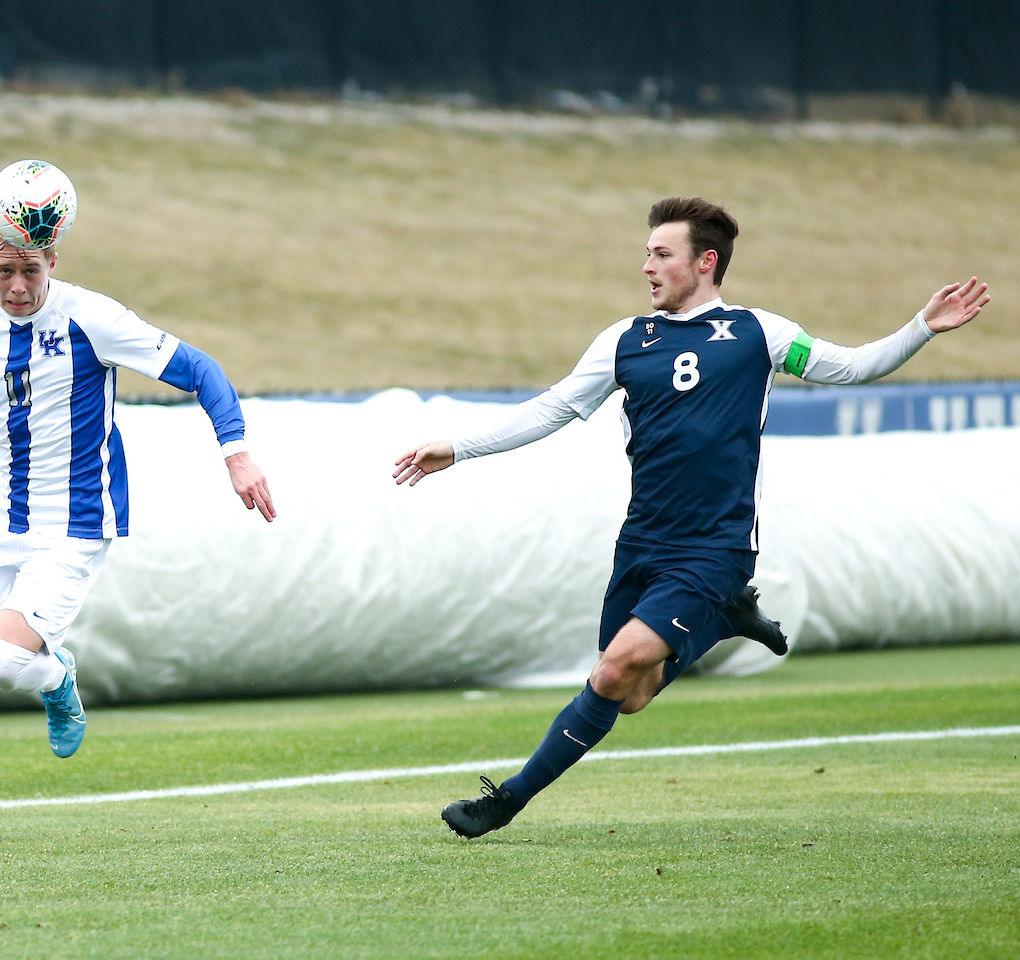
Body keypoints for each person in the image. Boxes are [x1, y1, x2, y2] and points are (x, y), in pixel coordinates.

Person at [394, 195, 989, 839]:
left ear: (705, 262)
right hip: (643, 541)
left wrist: (921, 327)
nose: (647, 266)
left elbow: (850, 367)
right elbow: (553, 408)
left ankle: (505, 801)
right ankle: (726, 620)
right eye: (647, 253)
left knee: (614, 670)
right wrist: (457, 447)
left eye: (661, 254)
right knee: (632, 693)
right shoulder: (624, 341)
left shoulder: (761, 335)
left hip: (715, 547)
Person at [0, 172, 275, 844]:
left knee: (7, 663)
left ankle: (57, 674)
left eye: (29, 271)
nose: (17, 286)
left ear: (53, 261)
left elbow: (202, 369)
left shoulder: (89, 316)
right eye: (4, 270)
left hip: (74, 526)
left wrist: (237, 454)